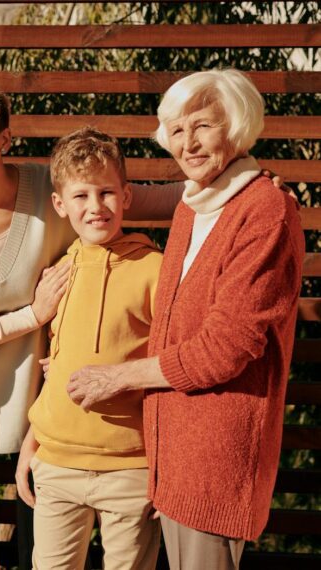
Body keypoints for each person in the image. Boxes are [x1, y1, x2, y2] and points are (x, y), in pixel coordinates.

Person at [0, 81, 188, 570]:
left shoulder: (54, 190)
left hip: (48, 418)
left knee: (40, 556)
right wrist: (33, 315)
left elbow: (150, 199)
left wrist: (241, 186)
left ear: (6, 138)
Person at [66, 69, 304, 570]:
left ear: (236, 127)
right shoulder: (195, 204)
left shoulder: (264, 209)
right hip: (173, 453)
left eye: (203, 126)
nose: (188, 143)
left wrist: (119, 377)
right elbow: (93, 194)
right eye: (176, 130)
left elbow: (227, 347)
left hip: (215, 455)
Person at [17, 127, 162, 570]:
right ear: (60, 205)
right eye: (81, 196)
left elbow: (176, 366)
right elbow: (54, 367)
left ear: (127, 196)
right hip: (56, 467)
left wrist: (166, 465)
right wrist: (31, 444)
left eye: (106, 193)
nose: (95, 207)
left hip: (132, 471)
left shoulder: (156, 270)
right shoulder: (59, 272)